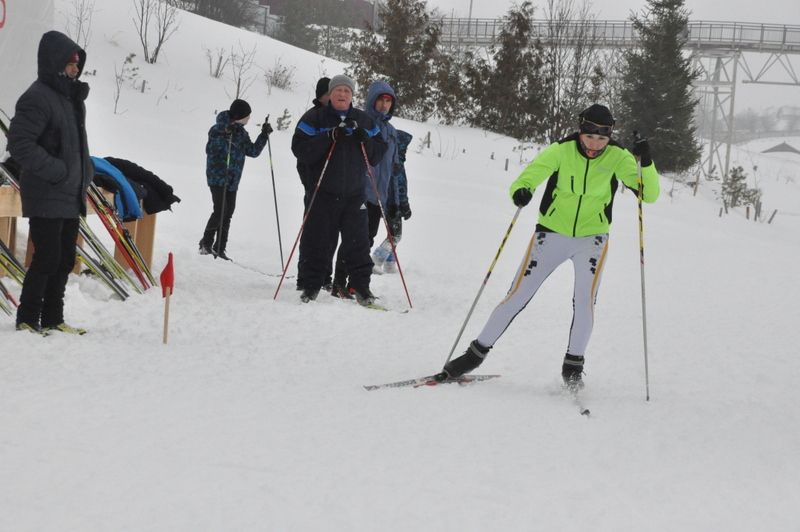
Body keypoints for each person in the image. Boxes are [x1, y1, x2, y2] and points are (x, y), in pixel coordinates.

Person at [437, 104, 660, 389]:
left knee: (585, 303)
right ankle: (473, 356)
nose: (594, 145)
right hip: (551, 235)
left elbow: (648, 194)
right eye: (589, 137)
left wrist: (647, 161)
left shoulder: (618, 157)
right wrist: (522, 190)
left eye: (602, 139)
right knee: (516, 296)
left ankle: (573, 368)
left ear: (609, 137)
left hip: (592, 241)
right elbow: (530, 175)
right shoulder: (561, 150)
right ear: (581, 131)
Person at [7, 31, 93, 335]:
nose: (75, 68)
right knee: (47, 257)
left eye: (78, 63)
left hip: (69, 194)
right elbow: (19, 144)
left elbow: (73, 145)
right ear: (55, 61)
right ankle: (28, 318)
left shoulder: (69, 99)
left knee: (65, 258)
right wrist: (57, 171)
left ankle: (54, 318)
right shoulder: (37, 96)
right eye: (71, 62)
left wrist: (86, 170)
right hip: (46, 192)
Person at [291, 74, 387, 305]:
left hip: (355, 195)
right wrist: (329, 136)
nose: (342, 95)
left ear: (352, 95)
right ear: (330, 94)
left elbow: (377, 154)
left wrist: (366, 139)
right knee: (318, 242)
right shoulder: (314, 118)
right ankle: (311, 286)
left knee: (358, 244)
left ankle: (362, 289)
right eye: (338, 91)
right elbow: (300, 149)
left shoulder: (363, 120)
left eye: (347, 91)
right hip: (324, 192)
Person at [331, 80, 398, 294]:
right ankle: (339, 281)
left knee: (367, 240)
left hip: (380, 195)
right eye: (381, 100)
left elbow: (394, 167)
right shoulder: (364, 122)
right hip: (360, 190)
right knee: (353, 239)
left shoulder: (392, 132)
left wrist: (394, 199)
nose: (385, 105)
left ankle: (354, 282)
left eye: (389, 101)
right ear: (373, 101)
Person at [199, 99, 272, 260]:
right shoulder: (218, 129)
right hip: (218, 177)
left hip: (233, 180)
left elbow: (252, 151)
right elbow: (210, 149)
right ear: (239, 116)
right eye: (247, 116)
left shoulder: (241, 132)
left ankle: (220, 248)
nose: (249, 119)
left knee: (228, 212)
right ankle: (205, 243)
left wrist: (264, 135)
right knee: (220, 210)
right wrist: (226, 133)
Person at [296, 77, 330, 291]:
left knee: (328, 234)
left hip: (334, 188)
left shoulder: (338, 117)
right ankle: (305, 277)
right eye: (328, 94)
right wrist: (310, 183)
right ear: (321, 96)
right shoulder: (312, 117)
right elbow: (302, 155)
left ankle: (325, 276)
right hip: (314, 185)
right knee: (311, 233)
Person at [373, 129, 413, 274]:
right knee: (395, 234)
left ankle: (390, 264)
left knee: (393, 232)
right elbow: (400, 187)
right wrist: (404, 205)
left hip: (387, 201)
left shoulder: (392, 161)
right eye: (404, 148)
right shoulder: (397, 164)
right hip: (392, 203)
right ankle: (377, 258)